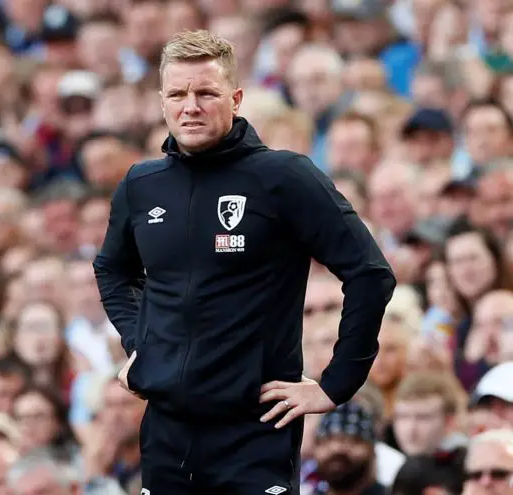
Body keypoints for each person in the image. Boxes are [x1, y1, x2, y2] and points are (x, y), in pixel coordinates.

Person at [93, 29, 396, 493]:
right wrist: (141, 344)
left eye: (205, 93)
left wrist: (336, 383)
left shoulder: (284, 177)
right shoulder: (142, 184)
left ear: (235, 98)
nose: (190, 106)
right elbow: (113, 269)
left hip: (254, 435)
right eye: (177, 94)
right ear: (161, 102)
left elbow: (370, 273)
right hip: (167, 435)